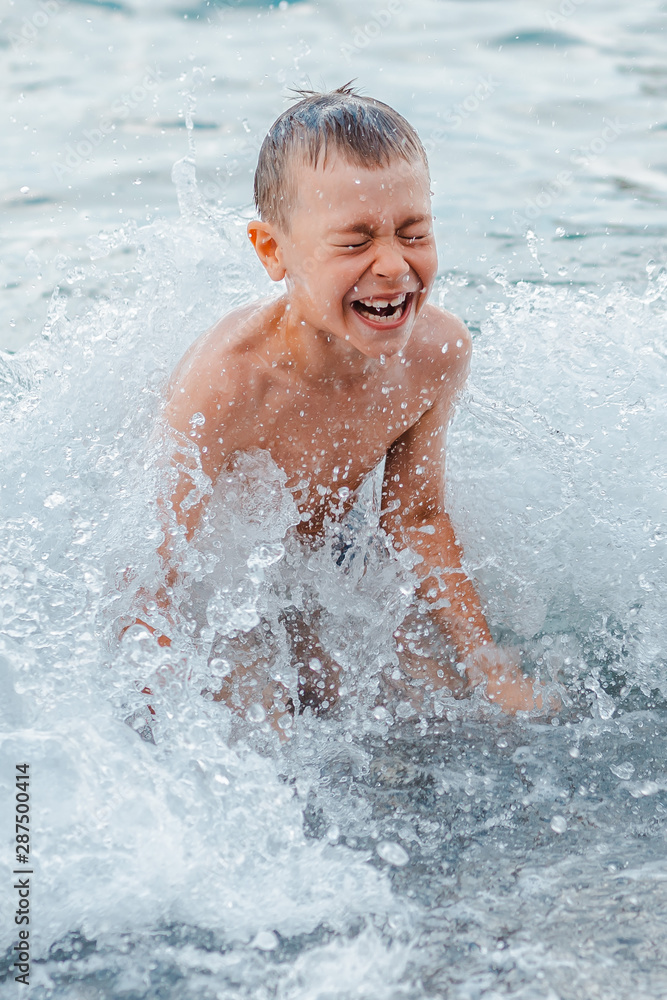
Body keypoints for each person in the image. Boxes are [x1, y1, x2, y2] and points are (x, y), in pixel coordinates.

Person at [125, 83, 551, 735]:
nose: (392, 265)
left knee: (433, 704)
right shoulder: (230, 383)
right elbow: (161, 567)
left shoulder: (434, 352)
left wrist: (487, 665)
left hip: (336, 555)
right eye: (353, 243)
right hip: (234, 580)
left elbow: (415, 515)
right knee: (261, 725)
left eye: (413, 233)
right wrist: (155, 707)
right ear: (273, 252)